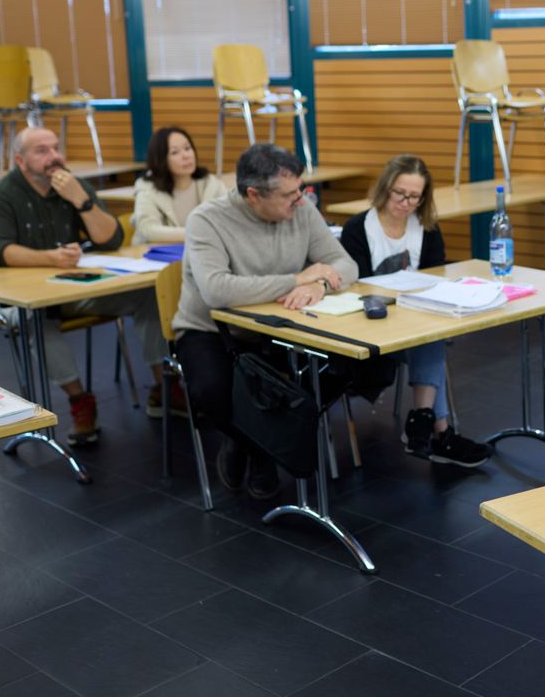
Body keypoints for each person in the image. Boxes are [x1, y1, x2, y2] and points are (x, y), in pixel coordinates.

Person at [173, 143, 358, 500]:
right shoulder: (207, 220)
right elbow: (216, 290)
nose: (301, 201)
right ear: (253, 195)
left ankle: (259, 440)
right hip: (210, 331)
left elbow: (344, 264)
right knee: (213, 390)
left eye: (301, 190)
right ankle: (256, 448)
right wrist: (297, 279)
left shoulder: (301, 209)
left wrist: (320, 283)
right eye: (290, 195)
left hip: (275, 327)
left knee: (344, 369)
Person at [0, 127, 173, 445]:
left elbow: (110, 238)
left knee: (148, 294)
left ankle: (164, 388)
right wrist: (49, 258)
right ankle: (79, 400)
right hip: (22, 296)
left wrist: (80, 201)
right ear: (20, 160)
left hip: (74, 289)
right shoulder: (1, 196)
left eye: (56, 148)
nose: (54, 157)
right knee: (36, 321)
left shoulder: (71, 185)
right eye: (42, 151)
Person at [339, 155, 491, 467]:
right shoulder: (359, 228)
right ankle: (438, 433)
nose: (406, 203)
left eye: (415, 197)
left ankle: (427, 426)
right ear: (385, 189)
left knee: (429, 335)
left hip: (414, 322)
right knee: (429, 338)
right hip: (371, 327)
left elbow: (435, 280)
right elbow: (358, 288)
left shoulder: (426, 228)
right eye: (400, 194)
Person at [132, 127, 227, 244]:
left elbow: (230, 219)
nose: (186, 156)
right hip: (155, 256)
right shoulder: (147, 187)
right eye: (175, 152)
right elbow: (148, 229)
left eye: (187, 148)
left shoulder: (210, 183)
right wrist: (197, 233)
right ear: (161, 159)